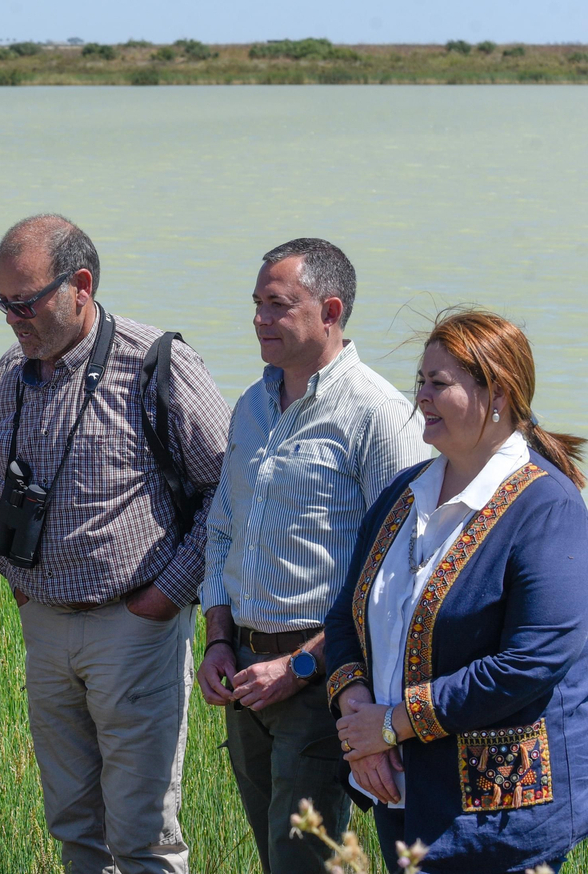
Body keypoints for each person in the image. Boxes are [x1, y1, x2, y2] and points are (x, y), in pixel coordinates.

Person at [0, 214, 230, 874]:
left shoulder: (156, 364)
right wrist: (16, 578)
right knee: (73, 826)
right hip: (44, 629)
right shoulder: (10, 372)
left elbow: (231, 490)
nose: (13, 318)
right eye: (2, 302)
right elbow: (8, 486)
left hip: (135, 628)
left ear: (81, 285)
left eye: (26, 301)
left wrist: (165, 596)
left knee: (144, 835)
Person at [325, 309, 588, 874]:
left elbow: (533, 660)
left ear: (496, 394)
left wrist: (395, 722)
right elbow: (348, 614)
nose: (420, 396)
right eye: (420, 381)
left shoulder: (548, 506)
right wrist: (360, 718)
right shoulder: (403, 494)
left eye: (438, 383)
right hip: (402, 790)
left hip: (501, 813)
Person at [195, 239, 426, 873]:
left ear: (329, 310)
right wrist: (218, 639)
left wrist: (300, 666)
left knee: (305, 864)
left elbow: (395, 571)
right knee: (277, 859)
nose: (260, 319)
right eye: (256, 304)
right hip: (242, 674)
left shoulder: (379, 415)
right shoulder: (249, 406)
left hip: (324, 683)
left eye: (278, 305)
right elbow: (222, 530)